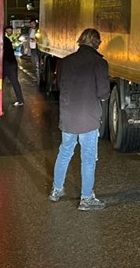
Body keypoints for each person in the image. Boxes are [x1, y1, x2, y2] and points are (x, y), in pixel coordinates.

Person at [49, 27, 110, 211]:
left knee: (65, 151)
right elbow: (104, 92)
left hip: (68, 115)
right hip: (88, 117)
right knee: (88, 157)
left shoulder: (65, 62)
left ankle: (56, 190)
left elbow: (59, 85)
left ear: (80, 41)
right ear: (97, 43)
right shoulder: (99, 63)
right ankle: (86, 198)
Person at [3, 30, 24, 106]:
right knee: (15, 82)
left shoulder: (1, 40)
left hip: (6, 64)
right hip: (11, 63)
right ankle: (20, 100)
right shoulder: (6, 40)